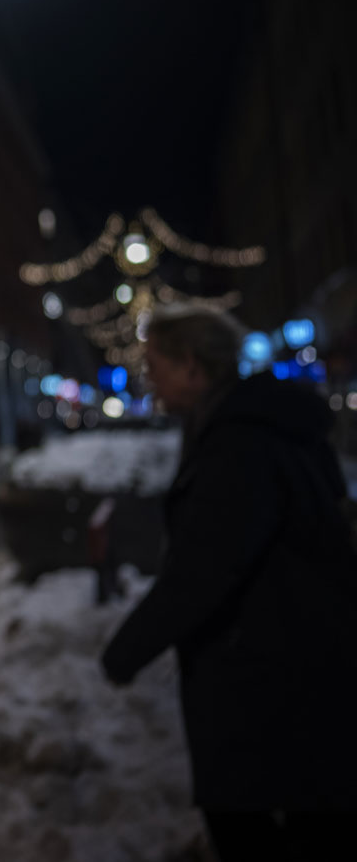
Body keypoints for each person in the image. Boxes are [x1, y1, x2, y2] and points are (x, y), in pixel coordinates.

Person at [101, 305, 357, 860]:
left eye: (156, 366)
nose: (149, 381)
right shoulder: (254, 425)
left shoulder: (239, 443)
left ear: (193, 366)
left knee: (256, 824)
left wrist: (125, 651)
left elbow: (205, 566)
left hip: (269, 671)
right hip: (293, 659)